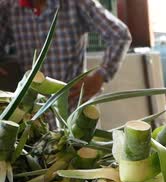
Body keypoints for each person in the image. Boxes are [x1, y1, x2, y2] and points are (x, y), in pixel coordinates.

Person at [0, 0, 131, 105]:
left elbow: (120, 35)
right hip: (31, 110)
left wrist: (100, 76)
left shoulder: (76, 3)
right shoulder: (8, 7)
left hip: (73, 106)